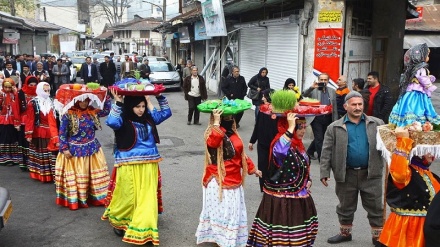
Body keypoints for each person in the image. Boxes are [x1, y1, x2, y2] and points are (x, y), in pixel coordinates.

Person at [102, 89, 172, 245]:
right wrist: (119, 102)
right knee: (127, 195)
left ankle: (144, 227)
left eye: (142, 106)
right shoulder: (123, 119)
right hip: (128, 163)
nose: (141, 110)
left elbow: (166, 113)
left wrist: (155, 98)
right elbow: (111, 122)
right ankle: (121, 222)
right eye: (137, 107)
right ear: (130, 107)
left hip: (149, 163)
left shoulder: (149, 118)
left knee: (146, 197)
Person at [320, 91, 385, 245]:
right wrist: (324, 171)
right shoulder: (334, 127)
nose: (357, 107)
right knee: (345, 206)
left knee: (375, 206)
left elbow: (389, 144)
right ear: (346, 106)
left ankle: (378, 237)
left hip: (371, 174)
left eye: (360, 104)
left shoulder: (377, 124)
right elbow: (326, 150)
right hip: (346, 174)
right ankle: (345, 233)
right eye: (354, 104)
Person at [247, 114, 318, 246]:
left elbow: (303, 164)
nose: (303, 130)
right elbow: (279, 152)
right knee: (282, 234)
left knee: (298, 234)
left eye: (304, 127)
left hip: (299, 196)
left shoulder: (298, 145)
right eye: (299, 127)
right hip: (281, 200)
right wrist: (291, 127)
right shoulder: (280, 143)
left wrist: (308, 179)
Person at [195, 108, 262, 247]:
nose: (229, 119)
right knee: (222, 214)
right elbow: (213, 143)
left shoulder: (233, 133)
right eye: (225, 117)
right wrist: (217, 124)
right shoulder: (211, 132)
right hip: (218, 181)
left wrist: (253, 169)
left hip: (234, 181)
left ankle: (226, 240)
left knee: (232, 214)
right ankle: (220, 240)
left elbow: (241, 155)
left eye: (231, 116)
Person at [378, 128, 440, 247]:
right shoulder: (407, 172)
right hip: (406, 232)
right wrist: (403, 141)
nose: (433, 156)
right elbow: (399, 175)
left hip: (428, 231)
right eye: (428, 151)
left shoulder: (429, 174)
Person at [54, 89, 111, 210]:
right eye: (81, 101)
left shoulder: (92, 112)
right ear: (76, 101)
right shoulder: (67, 114)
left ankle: (97, 197)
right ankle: (79, 199)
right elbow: (62, 133)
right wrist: (64, 148)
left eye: (86, 101)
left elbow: (106, 110)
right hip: (75, 152)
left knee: (93, 175)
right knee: (80, 176)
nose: (84, 104)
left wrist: (107, 95)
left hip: (92, 149)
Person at [389, 43, 440, 127]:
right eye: (427, 55)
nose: (428, 57)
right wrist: (430, 85)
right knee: (417, 107)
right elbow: (422, 78)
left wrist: (430, 77)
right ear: (421, 56)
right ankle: (415, 123)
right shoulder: (421, 68)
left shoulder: (412, 67)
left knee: (406, 105)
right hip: (417, 92)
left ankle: (405, 122)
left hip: (410, 91)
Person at [25, 82, 59, 182]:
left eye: (48, 90)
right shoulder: (33, 102)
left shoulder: (53, 101)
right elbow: (30, 119)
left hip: (52, 132)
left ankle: (53, 175)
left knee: (52, 154)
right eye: (45, 90)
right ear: (40, 90)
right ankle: (42, 175)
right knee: (41, 154)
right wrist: (29, 133)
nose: (47, 92)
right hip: (39, 131)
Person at [302, 73, 337, 161]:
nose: (323, 81)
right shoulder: (314, 90)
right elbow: (304, 95)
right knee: (319, 138)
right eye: (321, 79)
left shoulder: (332, 91)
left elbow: (335, 107)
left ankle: (310, 151)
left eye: (325, 80)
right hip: (316, 118)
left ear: (328, 81)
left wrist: (335, 120)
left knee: (325, 137)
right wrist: (311, 87)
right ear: (318, 80)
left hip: (328, 117)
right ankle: (322, 158)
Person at [248, 89, 278, 192]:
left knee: (273, 165)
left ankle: (272, 185)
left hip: (274, 144)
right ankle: (263, 187)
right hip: (262, 144)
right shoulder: (262, 110)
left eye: (264, 96)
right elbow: (257, 127)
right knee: (262, 164)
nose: (262, 98)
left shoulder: (278, 111)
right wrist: (252, 141)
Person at [17, 76, 39, 171]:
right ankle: (25, 163)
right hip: (24, 121)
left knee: (34, 143)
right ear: (27, 84)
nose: (33, 87)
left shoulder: (40, 92)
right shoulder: (21, 93)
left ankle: (34, 163)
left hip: (36, 121)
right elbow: (16, 108)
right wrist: (16, 122)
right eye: (31, 85)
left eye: (35, 85)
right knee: (25, 141)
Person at [0, 78, 21, 166]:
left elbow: (19, 104)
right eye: (6, 87)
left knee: (13, 137)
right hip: (4, 118)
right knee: (4, 137)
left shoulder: (16, 94)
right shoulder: (1, 94)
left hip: (13, 119)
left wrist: (16, 93)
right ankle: (5, 158)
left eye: (9, 87)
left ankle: (14, 157)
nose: (7, 89)